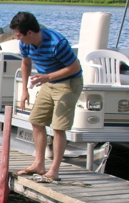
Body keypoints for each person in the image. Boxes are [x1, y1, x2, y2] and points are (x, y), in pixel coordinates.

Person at [10, 11, 83, 182]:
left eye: (19, 35)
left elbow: (75, 68)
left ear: (30, 33)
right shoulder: (25, 44)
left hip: (68, 83)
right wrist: (25, 90)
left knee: (58, 127)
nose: (17, 39)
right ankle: (39, 164)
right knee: (36, 121)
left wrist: (47, 77)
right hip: (48, 83)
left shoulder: (57, 43)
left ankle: (54, 170)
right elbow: (26, 63)